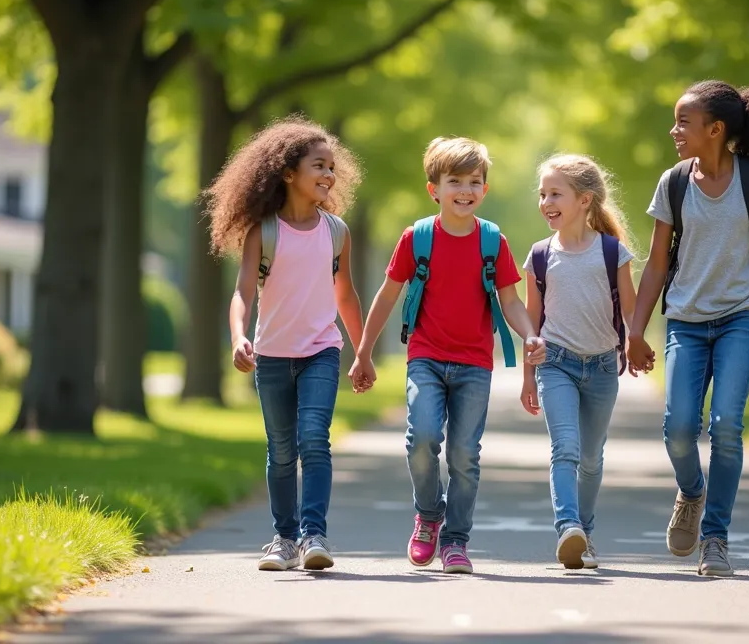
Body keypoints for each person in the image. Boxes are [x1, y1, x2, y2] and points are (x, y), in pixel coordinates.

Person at [625, 80, 749, 577]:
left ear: (716, 129)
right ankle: (692, 491)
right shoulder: (674, 182)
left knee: (727, 425)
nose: (675, 130)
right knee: (679, 428)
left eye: (684, 121)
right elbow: (657, 263)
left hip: (742, 318)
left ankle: (716, 538)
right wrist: (635, 330)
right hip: (685, 319)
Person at [350, 136, 546, 574]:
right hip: (426, 356)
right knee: (421, 440)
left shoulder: (492, 241)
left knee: (464, 456)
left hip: (475, 363)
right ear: (433, 188)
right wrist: (363, 351)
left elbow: (511, 302)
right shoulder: (417, 238)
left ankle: (456, 541)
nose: (465, 190)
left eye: (474, 181)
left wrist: (531, 334)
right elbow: (387, 296)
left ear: (485, 190)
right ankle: (428, 516)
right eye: (454, 181)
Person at [210, 114, 369, 572]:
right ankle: (283, 539)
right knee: (281, 449)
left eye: (331, 167)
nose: (328, 174)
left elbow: (346, 295)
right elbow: (242, 292)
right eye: (319, 165)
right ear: (288, 173)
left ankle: (313, 535)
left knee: (314, 439)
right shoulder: (266, 232)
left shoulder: (336, 231)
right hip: (274, 356)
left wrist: (361, 353)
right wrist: (239, 337)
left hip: (322, 351)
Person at [520, 154, 638, 570]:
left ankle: (583, 532)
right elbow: (533, 322)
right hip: (557, 363)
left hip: (603, 367)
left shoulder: (612, 252)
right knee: (564, 448)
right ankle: (568, 526)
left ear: (585, 200)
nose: (546, 201)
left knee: (591, 457)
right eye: (542, 194)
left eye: (555, 193)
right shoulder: (539, 255)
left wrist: (636, 342)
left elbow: (630, 310)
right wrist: (528, 377)